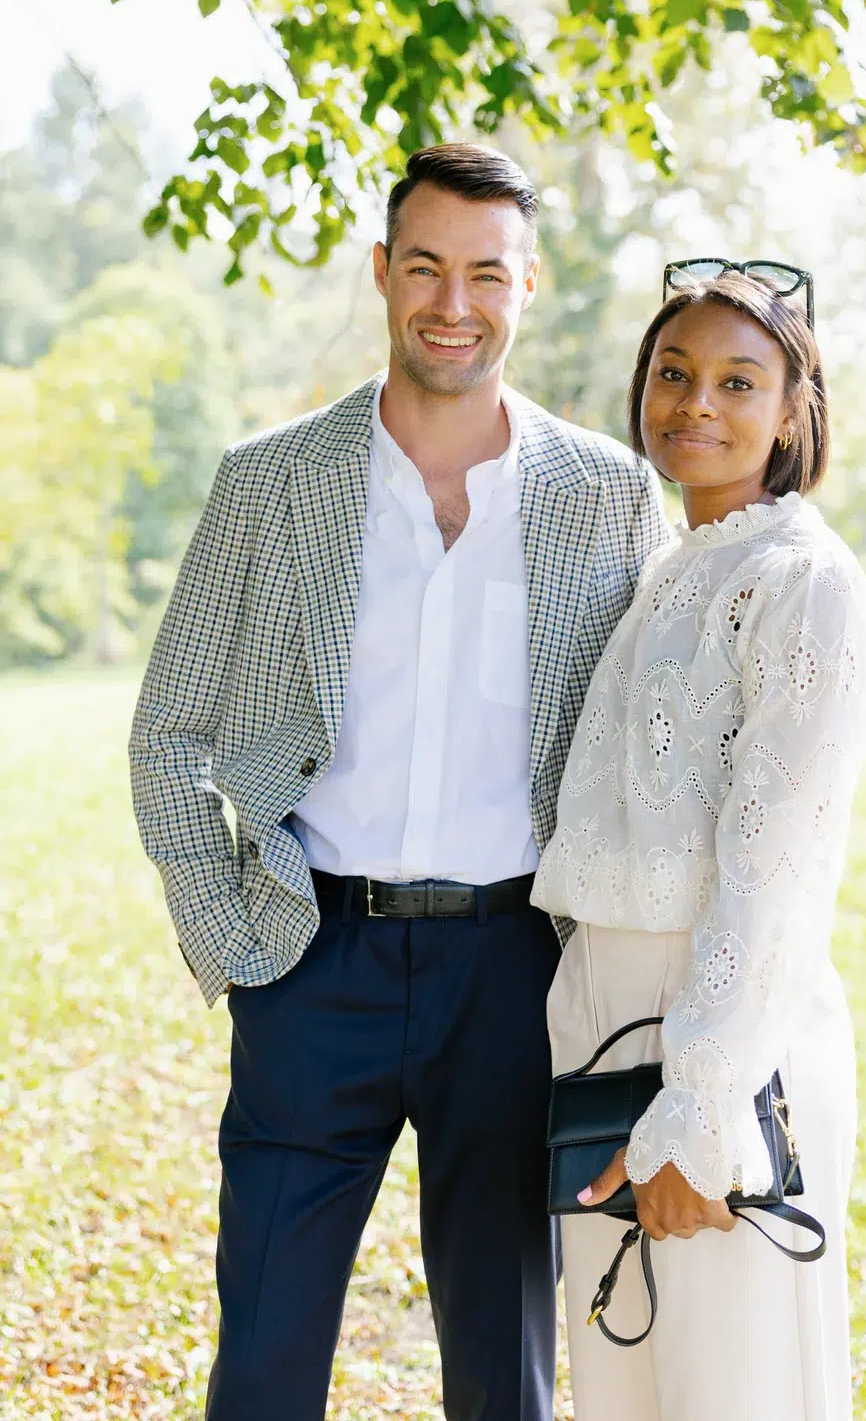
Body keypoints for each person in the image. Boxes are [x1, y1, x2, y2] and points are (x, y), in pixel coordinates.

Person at [128, 142, 671, 1421]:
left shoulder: (606, 495)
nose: (452, 301)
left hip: (512, 972)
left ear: (527, 286)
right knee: (261, 1356)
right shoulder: (268, 482)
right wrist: (232, 936)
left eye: (486, 273)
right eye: (424, 265)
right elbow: (166, 736)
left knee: (506, 1368)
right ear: (382, 272)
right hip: (310, 959)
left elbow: (649, 761)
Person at [531, 265, 866, 1421]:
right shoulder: (668, 566)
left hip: (717, 1037)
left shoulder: (802, 579)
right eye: (672, 373)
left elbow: (775, 865)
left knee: (733, 1390)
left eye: (739, 380)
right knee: (626, 1382)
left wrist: (701, 1102)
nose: (696, 403)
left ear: (792, 410)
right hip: (599, 1014)